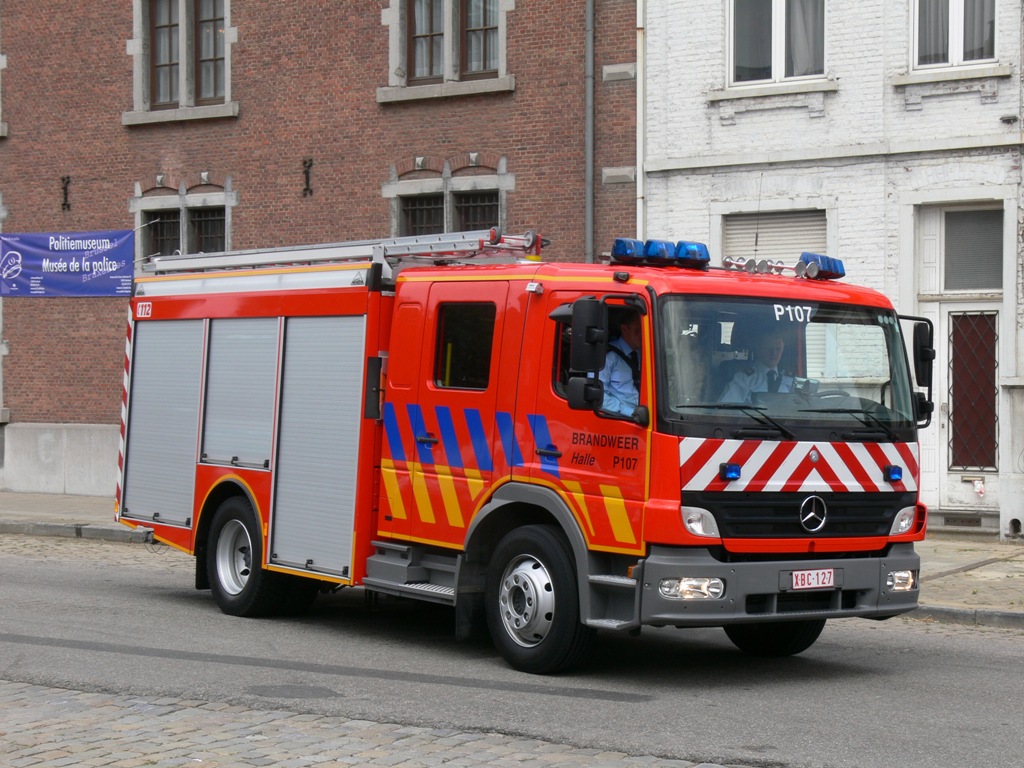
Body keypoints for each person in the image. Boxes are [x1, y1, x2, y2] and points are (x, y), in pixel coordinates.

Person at [719, 327, 793, 403]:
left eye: (778, 349)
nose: (774, 353)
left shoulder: (791, 381)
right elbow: (723, 410)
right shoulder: (743, 379)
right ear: (759, 348)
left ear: (783, 349)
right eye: (769, 348)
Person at [599, 311, 642, 416]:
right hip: (622, 419)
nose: (642, 335)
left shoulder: (644, 353)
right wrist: (629, 412)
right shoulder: (608, 357)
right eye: (638, 330)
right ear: (624, 329)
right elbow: (598, 395)